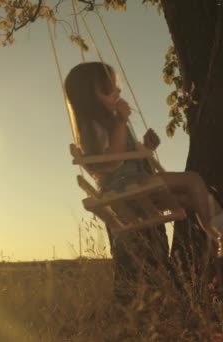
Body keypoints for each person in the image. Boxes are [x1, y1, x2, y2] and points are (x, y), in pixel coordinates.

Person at [64, 62, 223, 242]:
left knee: (194, 198)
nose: (117, 92)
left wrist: (147, 149)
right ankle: (219, 231)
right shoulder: (92, 128)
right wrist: (121, 121)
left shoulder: (112, 123)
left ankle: (217, 237)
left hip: (136, 186)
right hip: (124, 187)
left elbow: (128, 160)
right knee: (192, 179)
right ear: (88, 98)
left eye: (116, 86)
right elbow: (111, 162)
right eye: (108, 89)